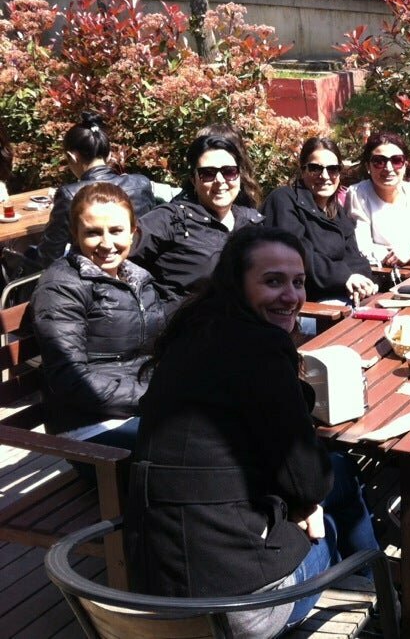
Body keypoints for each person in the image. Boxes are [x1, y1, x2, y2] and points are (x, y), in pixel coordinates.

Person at [124, 226, 379, 638]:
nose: (291, 296)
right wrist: (305, 504)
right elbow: (311, 481)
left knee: (336, 478)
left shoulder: (190, 333)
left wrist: (299, 501)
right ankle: (377, 590)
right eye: (273, 281)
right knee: (332, 512)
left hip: (155, 594)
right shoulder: (262, 349)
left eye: (298, 282)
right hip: (240, 613)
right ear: (236, 284)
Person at [30, 183, 166, 454]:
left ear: (133, 232)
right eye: (93, 233)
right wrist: (156, 397)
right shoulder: (61, 287)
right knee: (200, 443)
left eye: (116, 231)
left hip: (139, 409)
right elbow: (70, 379)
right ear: (75, 234)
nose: (106, 243)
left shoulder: (137, 278)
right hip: (88, 427)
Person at [131, 133, 262, 301]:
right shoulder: (171, 220)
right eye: (208, 173)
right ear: (194, 180)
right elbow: (116, 253)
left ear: (239, 176)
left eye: (229, 172)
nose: (220, 180)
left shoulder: (252, 223)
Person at [261, 137, 376, 303]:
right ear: (302, 170)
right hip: (299, 302)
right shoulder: (284, 200)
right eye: (315, 168)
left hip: (342, 295)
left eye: (333, 169)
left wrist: (360, 280)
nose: (324, 176)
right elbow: (297, 254)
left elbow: (355, 256)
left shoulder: (336, 211)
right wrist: (345, 277)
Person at [37, 112, 156, 267]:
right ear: (109, 155)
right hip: (142, 265)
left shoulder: (70, 194)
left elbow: (50, 253)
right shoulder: (141, 183)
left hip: (95, 270)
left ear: (72, 157)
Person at [345, 130, 410, 266]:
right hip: (385, 274)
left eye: (396, 161)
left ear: (406, 164)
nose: (388, 168)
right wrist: (396, 256)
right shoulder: (358, 194)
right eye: (379, 161)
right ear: (368, 166)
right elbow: (362, 247)